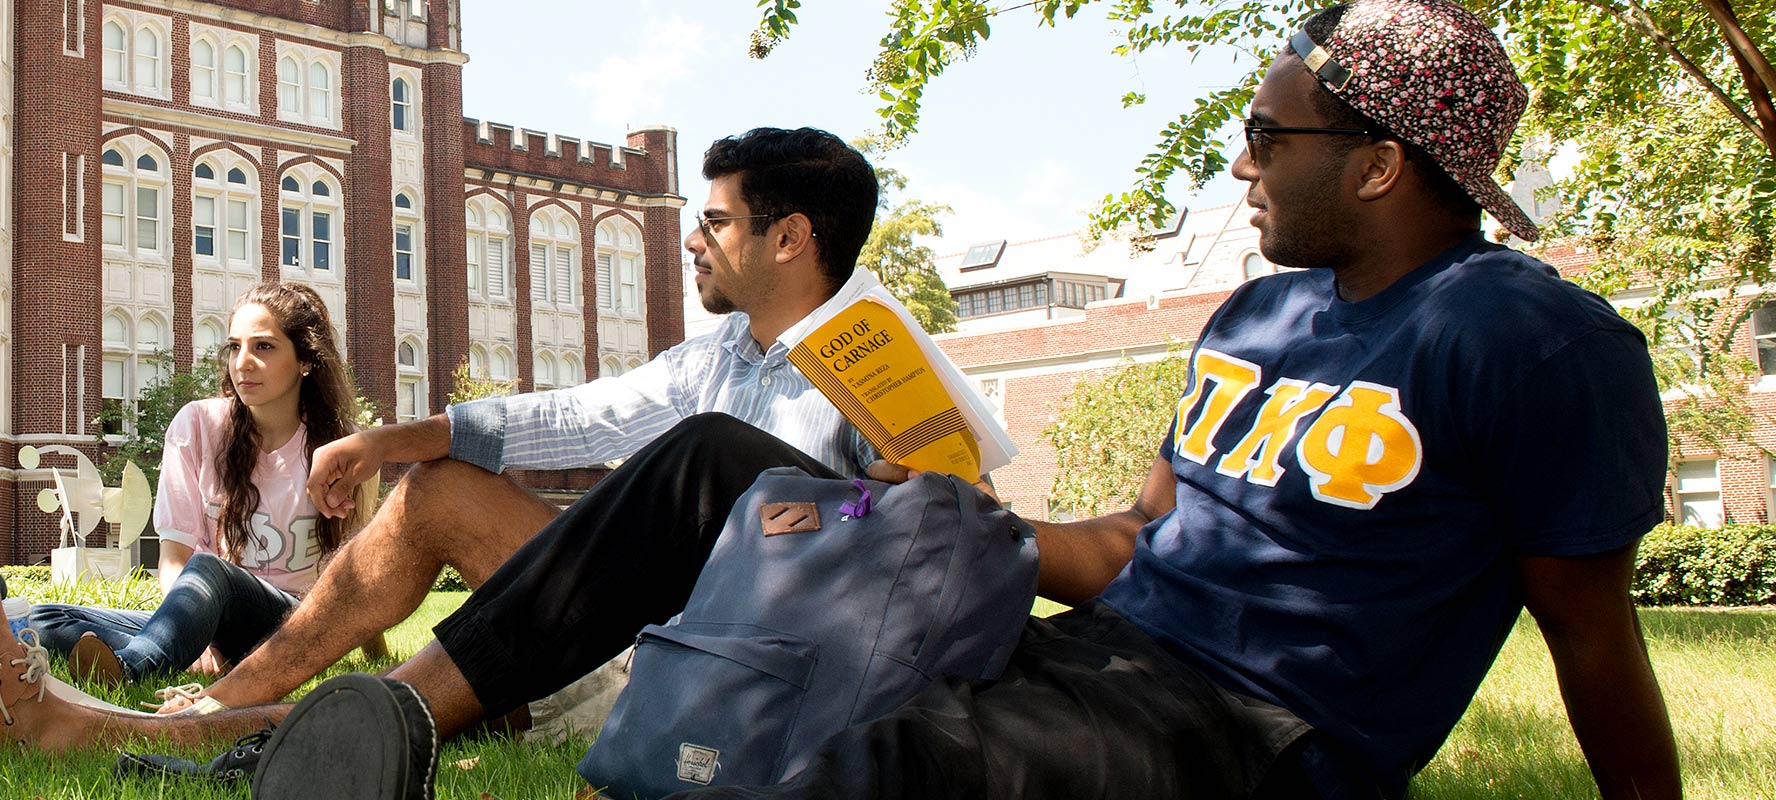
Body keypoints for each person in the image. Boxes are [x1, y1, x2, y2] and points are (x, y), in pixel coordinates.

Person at [96, 2, 1689, 797]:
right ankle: (383, 731)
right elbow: (1134, 544)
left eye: (1270, 137)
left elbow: (1590, 632)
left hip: (1259, 725)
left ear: (1383, 160)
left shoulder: (1527, 341)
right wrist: (965, 518)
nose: (1243, 160)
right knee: (714, 454)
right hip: (1098, 637)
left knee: (877, 763)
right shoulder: (1261, 316)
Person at [0, 126, 894, 750]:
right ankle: (223, 703)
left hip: (738, 654)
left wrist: (897, 491)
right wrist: (390, 443)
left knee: (435, 665)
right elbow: (575, 415)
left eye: (717, 221)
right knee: (437, 490)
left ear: (791, 238)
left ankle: (214, 729)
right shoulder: (712, 356)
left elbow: (918, 561)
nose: (693, 240)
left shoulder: (882, 369)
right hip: (636, 620)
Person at [23, 283, 385, 687]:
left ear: (305, 360)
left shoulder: (342, 446)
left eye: (263, 347)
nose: (242, 363)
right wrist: (201, 638)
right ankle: (169, 650)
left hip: (295, 625)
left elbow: (358, 568)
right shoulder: (197, 426)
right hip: (206, 609)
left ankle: (130, 670)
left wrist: (379, 658)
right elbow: (173, 559)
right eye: (234, 347)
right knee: (47, 617)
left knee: (211, 570)